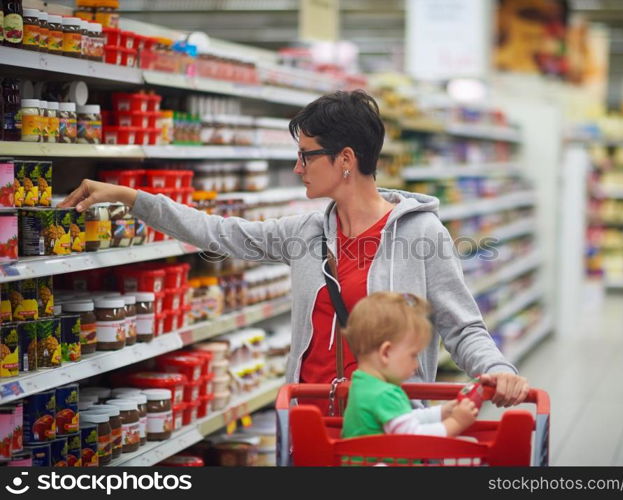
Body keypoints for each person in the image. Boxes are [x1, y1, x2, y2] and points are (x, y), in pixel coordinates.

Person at [58, 89, 528, 407]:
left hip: (386, 419)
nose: (297, 166)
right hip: (306, 416)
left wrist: (499, 370)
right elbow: (219, 232)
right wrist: (131, 198)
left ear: (345, 160)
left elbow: (461, 327)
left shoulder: (420, 235)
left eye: (306, 155)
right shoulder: (305, 233)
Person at [341, 292, 478, 438]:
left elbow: (402, 419)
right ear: (386, 353)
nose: (416, 364)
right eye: (413, 355)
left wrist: (442, 412)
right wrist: (456, 422)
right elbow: (413, 439)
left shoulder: (362, 384)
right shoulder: (384, 394)